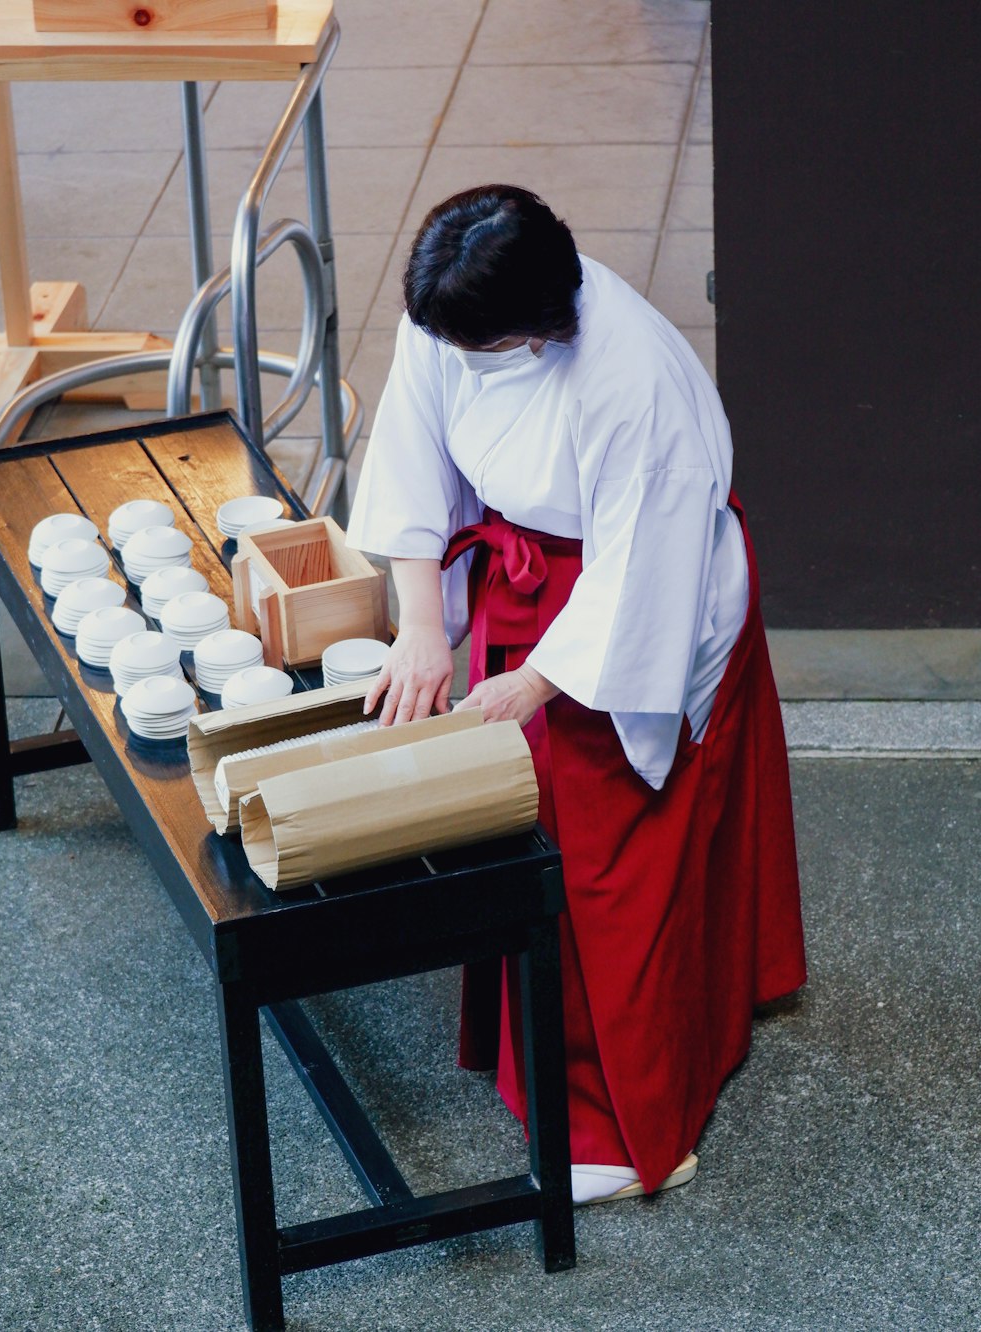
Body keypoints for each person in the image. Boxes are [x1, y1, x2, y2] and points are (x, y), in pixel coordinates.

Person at [346, 185, 806, 1205]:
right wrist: (422, 623)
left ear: (541, 324)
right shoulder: (455, 305)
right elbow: (413, 447)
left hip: (633, 603)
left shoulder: (628, 377)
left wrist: (538, 681)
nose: (453, 359)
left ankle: (628, 1126)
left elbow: (642, 570)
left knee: (607, 857)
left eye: (478, 349)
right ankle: (644, 1023)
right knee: (527, 825)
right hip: (527, 580)